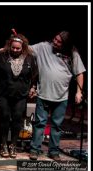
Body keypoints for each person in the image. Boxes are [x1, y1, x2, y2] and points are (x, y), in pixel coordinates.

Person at [29, 31, 86, 161]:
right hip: (43, 94)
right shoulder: (43, 47)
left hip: (62, 96)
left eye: (59, 42)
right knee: (39, 124)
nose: (55, 42)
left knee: (57, 125)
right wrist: (8, 47)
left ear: (65, 44)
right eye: (55, 39)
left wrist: (79, 92)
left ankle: (53, 151)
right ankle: (35, 150)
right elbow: (27, 48)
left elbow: (80, 73)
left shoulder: (72, 54)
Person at [0, 32, 38, 158]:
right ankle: (3, 144)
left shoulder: (30, 58)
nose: (15, 50)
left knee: (17, 118)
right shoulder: (1, 55)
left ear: (22, 48)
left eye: (18, 48)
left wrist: (33, 87)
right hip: (4, 93)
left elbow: (34, 75)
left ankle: (13, 144)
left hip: (21, 94)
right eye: (13, 47)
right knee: (5, 117)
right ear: (9, 46)